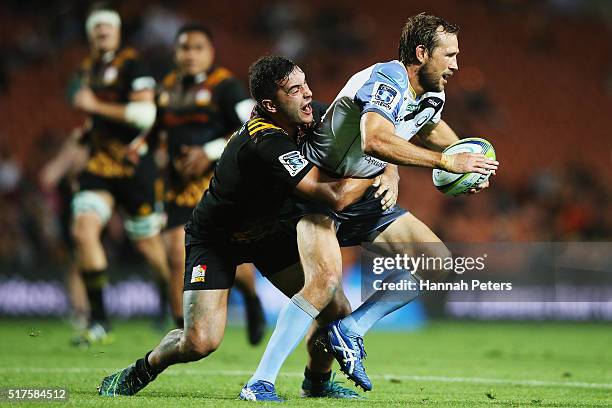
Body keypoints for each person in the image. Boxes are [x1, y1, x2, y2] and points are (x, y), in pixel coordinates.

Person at [244, 13, 499, 394]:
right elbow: (376, 139)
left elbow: (427, 126)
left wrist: (470, 161)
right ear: (421, 52)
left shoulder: (431, 92)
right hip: (317, 188)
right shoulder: (387, 79)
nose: (456, 65)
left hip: (360, 193)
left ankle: (350, 331)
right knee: (325, 284)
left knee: (437, 263)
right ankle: (259, 381)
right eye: (449, 55)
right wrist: (447, 162)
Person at [97, 56, 378, 400]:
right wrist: (378, 168)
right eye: (295, 90)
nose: (308, 94)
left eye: (305, 84)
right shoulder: (264, 141)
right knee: (200, 341)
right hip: (217, 239)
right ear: (270, 106)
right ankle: (143, 368)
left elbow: (375, 132)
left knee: (334, 309)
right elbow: (330, 194)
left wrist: (388, 163)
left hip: (271, 234)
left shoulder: (313, 115)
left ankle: (316, 383)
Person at [154, 23, 265, 343]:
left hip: (220, 184)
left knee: (232, 257)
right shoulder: (167, 89)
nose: (190, 55)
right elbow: (158, 132)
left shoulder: (224, 86)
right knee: (175, 253)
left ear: (210, 52)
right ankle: (182, 329)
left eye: (197, 48)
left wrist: (209, 150)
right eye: (184, 48)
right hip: (179, 186)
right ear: (175, 53)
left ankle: (252, 299)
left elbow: (254, 121)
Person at [70, 8, 172, 346]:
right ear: (89, 34)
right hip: (99, 167)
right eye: (96, 26)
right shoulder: (90, 68)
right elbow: (102, 116)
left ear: (117, 32)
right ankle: (99, 320)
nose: (102, 32)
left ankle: (163, 291)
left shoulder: (132, 65)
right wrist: (89, 129)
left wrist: (94, 108)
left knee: (149, 249)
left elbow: (144, 114)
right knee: (83, 229)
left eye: (107, 26)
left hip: (133, 169)